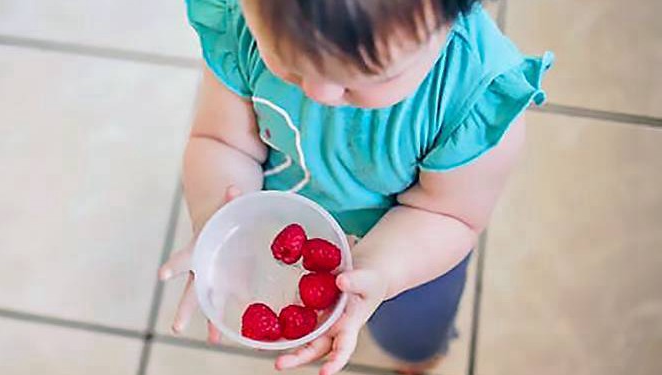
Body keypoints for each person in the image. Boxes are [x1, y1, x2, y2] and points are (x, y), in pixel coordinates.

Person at [158, 0, 552, 374]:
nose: (320, 93)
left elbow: (448, 214)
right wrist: (217, 216)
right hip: (284, 220)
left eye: (368, 77)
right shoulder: (248, 19)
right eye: (291, 64)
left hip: (412, 252)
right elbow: (222, 141)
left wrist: (381, 271)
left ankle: (416, 356)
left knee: (411, 333)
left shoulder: (473, 97)